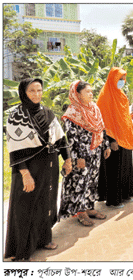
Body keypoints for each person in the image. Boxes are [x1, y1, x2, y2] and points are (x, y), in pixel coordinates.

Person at [5, 78, 72, 261]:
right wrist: (25, 175)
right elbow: (15, 150)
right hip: (28, 169)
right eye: (32, 91)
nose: (36, 94)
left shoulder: (48, 113)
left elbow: (60, 138)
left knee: (46, 204)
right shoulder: (16, 117)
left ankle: (44, 239)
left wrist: (67, 159)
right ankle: (22, 250)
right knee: (25, 207)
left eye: (39, 90)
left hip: (48, 167)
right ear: (23, 93)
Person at [59, 80, 111, 226]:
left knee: (92, 180)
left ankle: (89, 207)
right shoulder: (72, 113)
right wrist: (77, 158)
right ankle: (80, 212)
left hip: (95, 152)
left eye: (91, 91)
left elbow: (101, 127)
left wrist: (105, 145)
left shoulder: (94, 108)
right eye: (87, 91)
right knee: (80, 182)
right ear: (77, 94)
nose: (91, 94)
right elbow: (71, 139)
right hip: (82, 155)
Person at [97, 67, 133, 208]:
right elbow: (104, 120)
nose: (122, 82)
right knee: (114, 170)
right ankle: (113, 200)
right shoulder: (105, 96)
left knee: (125, 168)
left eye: (123, 79)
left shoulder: (121, 94)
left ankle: (124, 195)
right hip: (114, 139)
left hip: (125, 137)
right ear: (112, 79)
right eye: (119, 79)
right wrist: (111, 140)